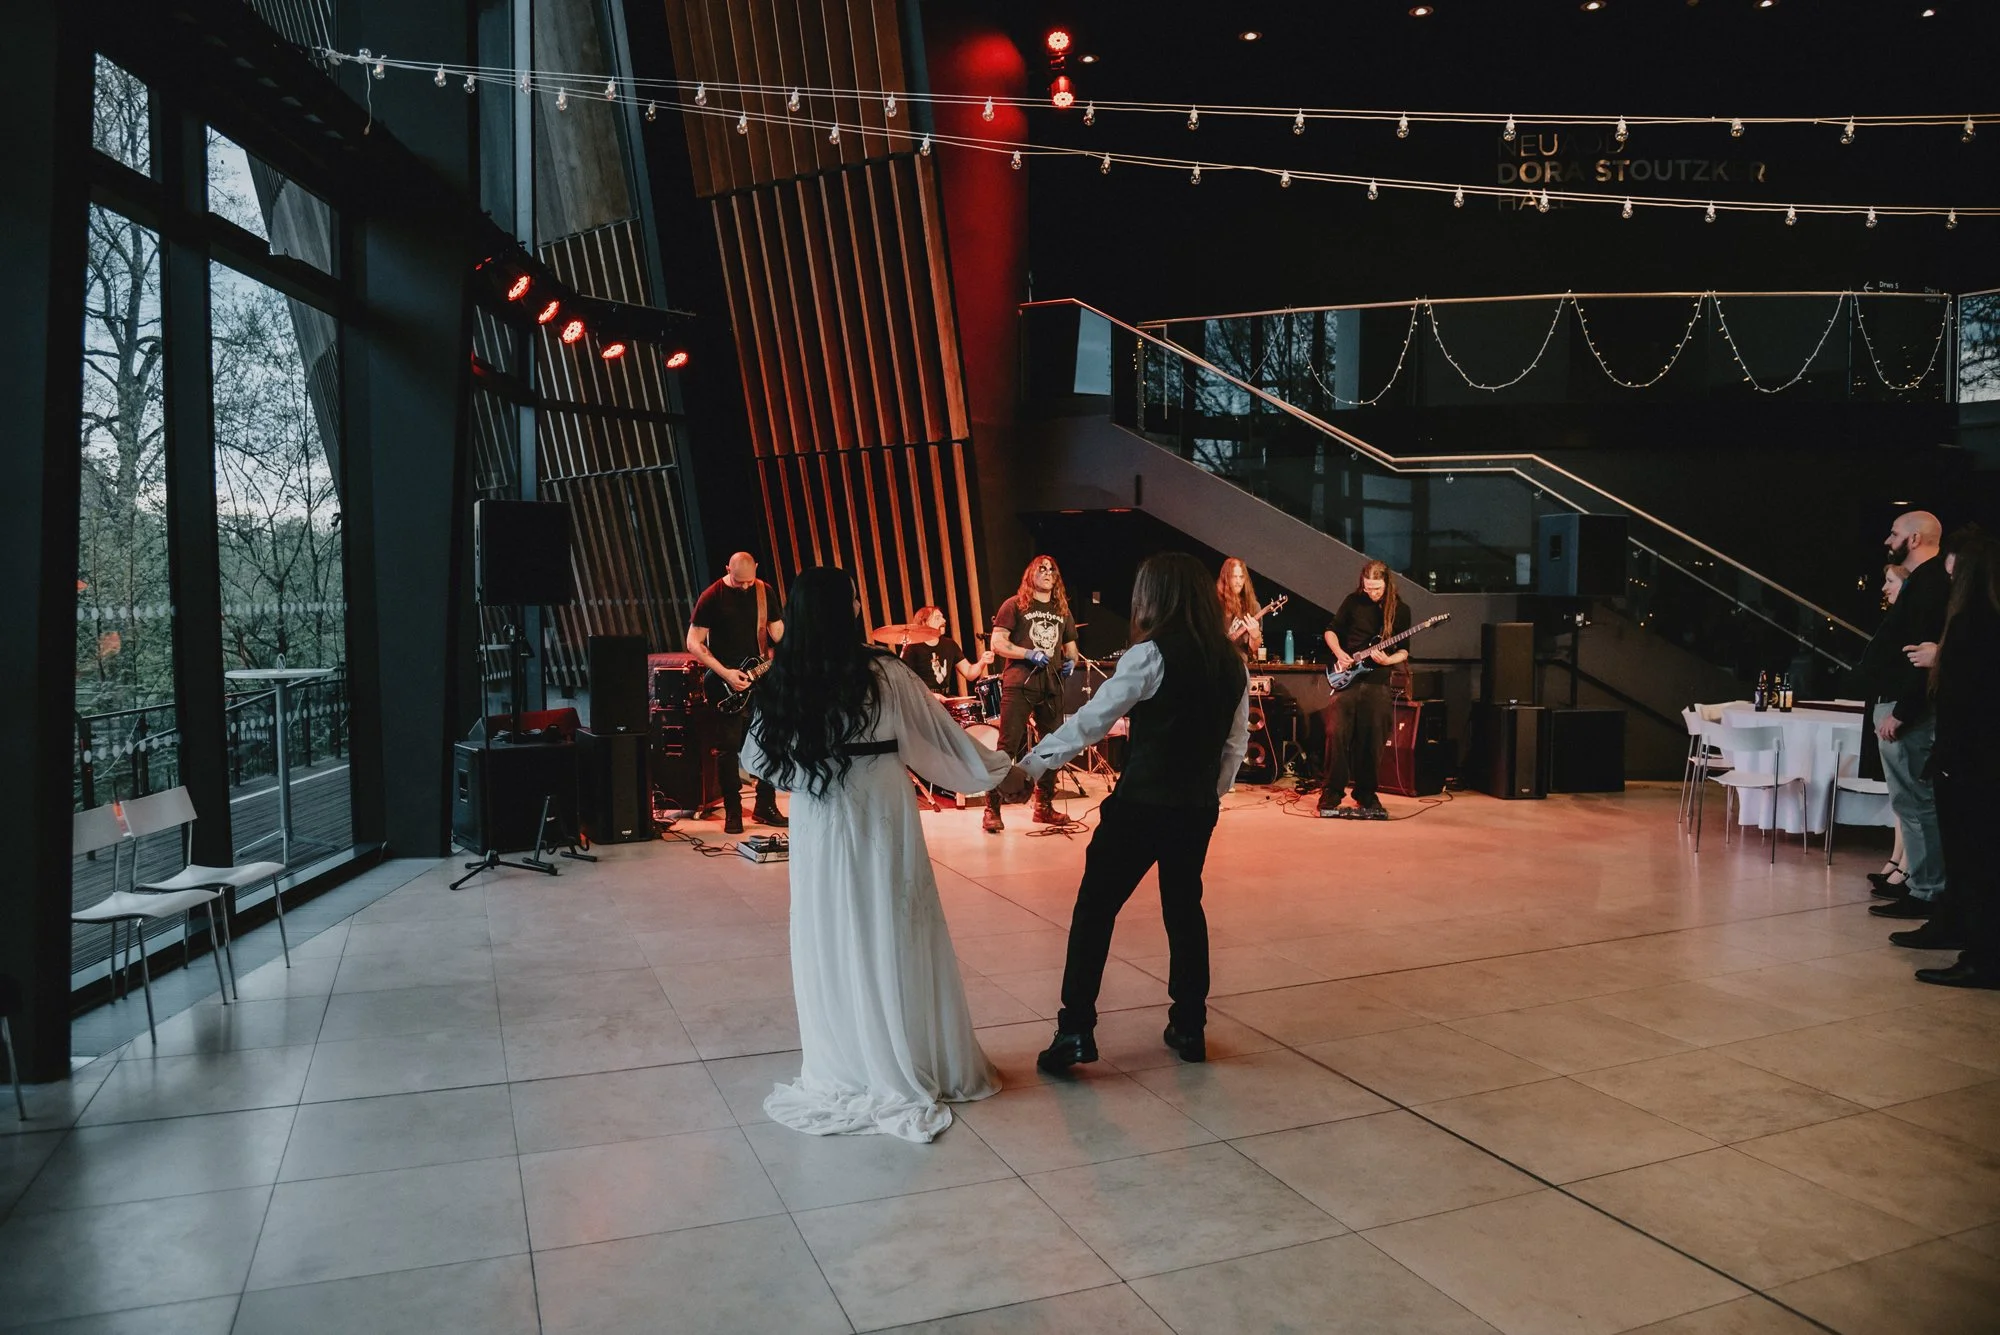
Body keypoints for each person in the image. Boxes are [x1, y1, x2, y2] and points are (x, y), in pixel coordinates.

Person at [742, 567, 1026, 1140]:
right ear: (848, 609)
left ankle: (847, 1058)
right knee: (894, 922)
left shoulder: (782, 680)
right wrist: (999, 772)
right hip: (880, 805)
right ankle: (909, 1048)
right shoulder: (886, 674)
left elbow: (756, 760)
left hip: (822, 816)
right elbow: (940, 741)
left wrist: (813, 771)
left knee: (835, 926)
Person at [1026, 553, 1250, 1073]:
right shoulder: (1231, 662)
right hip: (1195, 810)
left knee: (1096, 911)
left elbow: (1091, 722)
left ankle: (1076, 1030)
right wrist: (1208, 794)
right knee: (1184, 911)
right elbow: (1234, 747)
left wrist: (1034, 764)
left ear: (1156, 597)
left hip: (1142, 806)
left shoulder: (1149, 655)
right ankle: (1189, 1025)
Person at [1910, 534, 2000, 987]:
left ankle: (1982, 957)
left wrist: (1940, 656)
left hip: (1969, 763)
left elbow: (1965, 700)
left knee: (1972, 860)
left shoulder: (1970, 626)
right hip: (1983, 761)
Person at [1866, 512, 1951, 924]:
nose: (1889, 538)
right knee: (1911, 804)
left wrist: (1902, 712)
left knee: (1916, 804)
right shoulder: (1924, 582)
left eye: (1895, 532)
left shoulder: (1931, 584)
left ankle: (1927, 890)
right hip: (1899, 703)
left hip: (1907, 709)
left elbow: (1924, 658)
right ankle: (1921, 886)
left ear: (1914, 539)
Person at [687, 552, 787, 834]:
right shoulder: (712, 595)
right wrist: (725, 673)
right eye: (738, 581)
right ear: (726, 569)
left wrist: (794, 643)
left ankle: (765, 806)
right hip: (725, 682)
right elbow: (693, 642)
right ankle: (733, 810)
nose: (744, 586)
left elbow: (778, 632)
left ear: (756, 568)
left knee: (770, 742)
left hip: (761, 677)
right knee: (728, 748)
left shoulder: (763, 591)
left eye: (749, 580)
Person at [985, 555, 1082, 833]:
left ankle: (1044, 807)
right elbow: (998, 642)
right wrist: (1027, 652)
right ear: (1031, 575)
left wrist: (1071, 661)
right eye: (1042, 569)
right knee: (1008, 747)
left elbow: (1070, 646)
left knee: (1053, 747)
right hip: (1019, 684)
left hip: (1051, 686)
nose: (1048, 572)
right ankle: (992, 808)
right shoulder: (1014, 604)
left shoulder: (1061, 609)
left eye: (1052, 569)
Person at [1317, 559, 1411, 820]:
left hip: (1377, 681)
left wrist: (1388, 660)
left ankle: (1366, 793)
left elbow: (1404, 650)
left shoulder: (1401, 611)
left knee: (1372, 741)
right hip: (1347, 679)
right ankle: (1332, 792)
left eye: (1377, 589)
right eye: (1368, 587)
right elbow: (1331, 631)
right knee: (1336, 734)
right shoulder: (1353, 601)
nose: (1371, 593)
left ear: (1387, 584)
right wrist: (1339, 653)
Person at [1842, 564, 1911, 895]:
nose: (1884, 588)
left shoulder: (1907, 623)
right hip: (1886, 702)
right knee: (1901, 798)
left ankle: (1908, 868)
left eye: (1890, 581)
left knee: (1909, 798)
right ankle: (1898, 861)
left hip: (1897, 706)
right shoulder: (1897, 621)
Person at [898, 606, 994, 696]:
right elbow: (904, 683)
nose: (944, 620)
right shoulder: (913, 647)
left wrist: (983, 661)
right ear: (924, 622)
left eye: (943, 617)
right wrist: (931, 696)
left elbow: (969, 673)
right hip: (923, 703)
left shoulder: (949, 645)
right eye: (937, 618)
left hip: (945, 700)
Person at [1217, 557, 1265, 660]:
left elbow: (1254, 652)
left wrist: (1255, 636)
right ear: (1226, 578)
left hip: (1239, 665)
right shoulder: (1213, 603)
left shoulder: (1253, 607)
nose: (1238, 581)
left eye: (1241, 577)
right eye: (1234, 576)